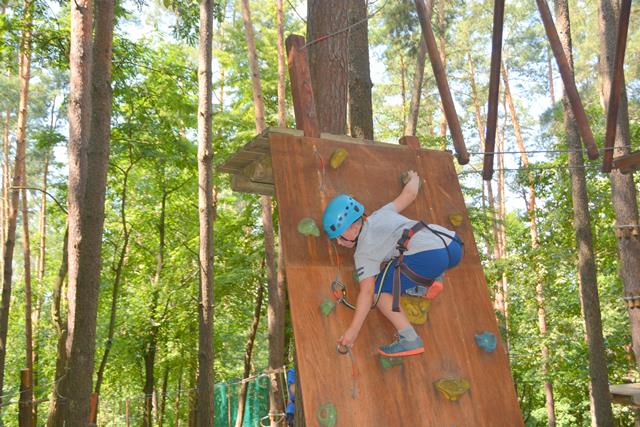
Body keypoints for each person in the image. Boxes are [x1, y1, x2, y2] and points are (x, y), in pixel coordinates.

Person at [321, 170, 463, 357]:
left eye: (339, 237)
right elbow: (410, 194)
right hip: (452, 244)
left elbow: (367, 292)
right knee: (404, 258)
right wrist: (413, 178)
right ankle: (433, 279)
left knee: (380, 291)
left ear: (353, 228)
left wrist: (353, 331)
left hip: (428, 257)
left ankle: (409, 339)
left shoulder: (362, 252)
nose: (339, 243)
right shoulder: (380, 214)